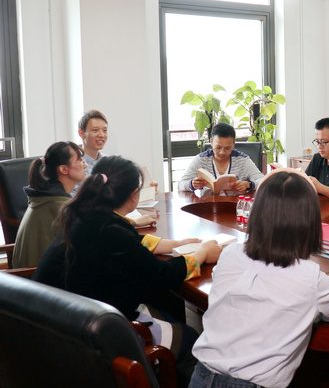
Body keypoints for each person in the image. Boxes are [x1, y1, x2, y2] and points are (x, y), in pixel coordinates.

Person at [34, 156, 222, 386]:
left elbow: (129, 244)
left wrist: (175, 244)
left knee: (164, 305)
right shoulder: (112, 231)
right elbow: (163, 276)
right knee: (192, 337)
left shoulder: (86, 215)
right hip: (92, 337)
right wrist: (202, 253)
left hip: (59, 326)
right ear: (133, 195)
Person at [189, 168, 329, 388]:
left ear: (257, 214)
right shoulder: (309, 276)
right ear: (310, 223)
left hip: (201, 376)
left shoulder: (230, 254)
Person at [12, 141, 87, 268]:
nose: (85, 165)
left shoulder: (45, 197)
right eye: (80, 161)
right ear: (63, 169)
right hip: (39, 277)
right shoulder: (59, 205)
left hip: (30, 276)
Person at [178, 123, 264, 194]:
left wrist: (249, 184)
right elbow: (180, 185)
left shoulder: (243, 160)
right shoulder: (201, 159)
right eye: (218, 147)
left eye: (227, 148)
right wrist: (192, 184)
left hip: (234, 205)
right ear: (211, 142)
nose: (222, 152)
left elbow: (263, 182)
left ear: (233, 144)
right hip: (208, 204)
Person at [78, 109, 109, 176]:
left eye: (105, 130)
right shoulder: (73, 164)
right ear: (81, 133)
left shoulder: (109, 162)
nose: (101, 135)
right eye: (95, 130)